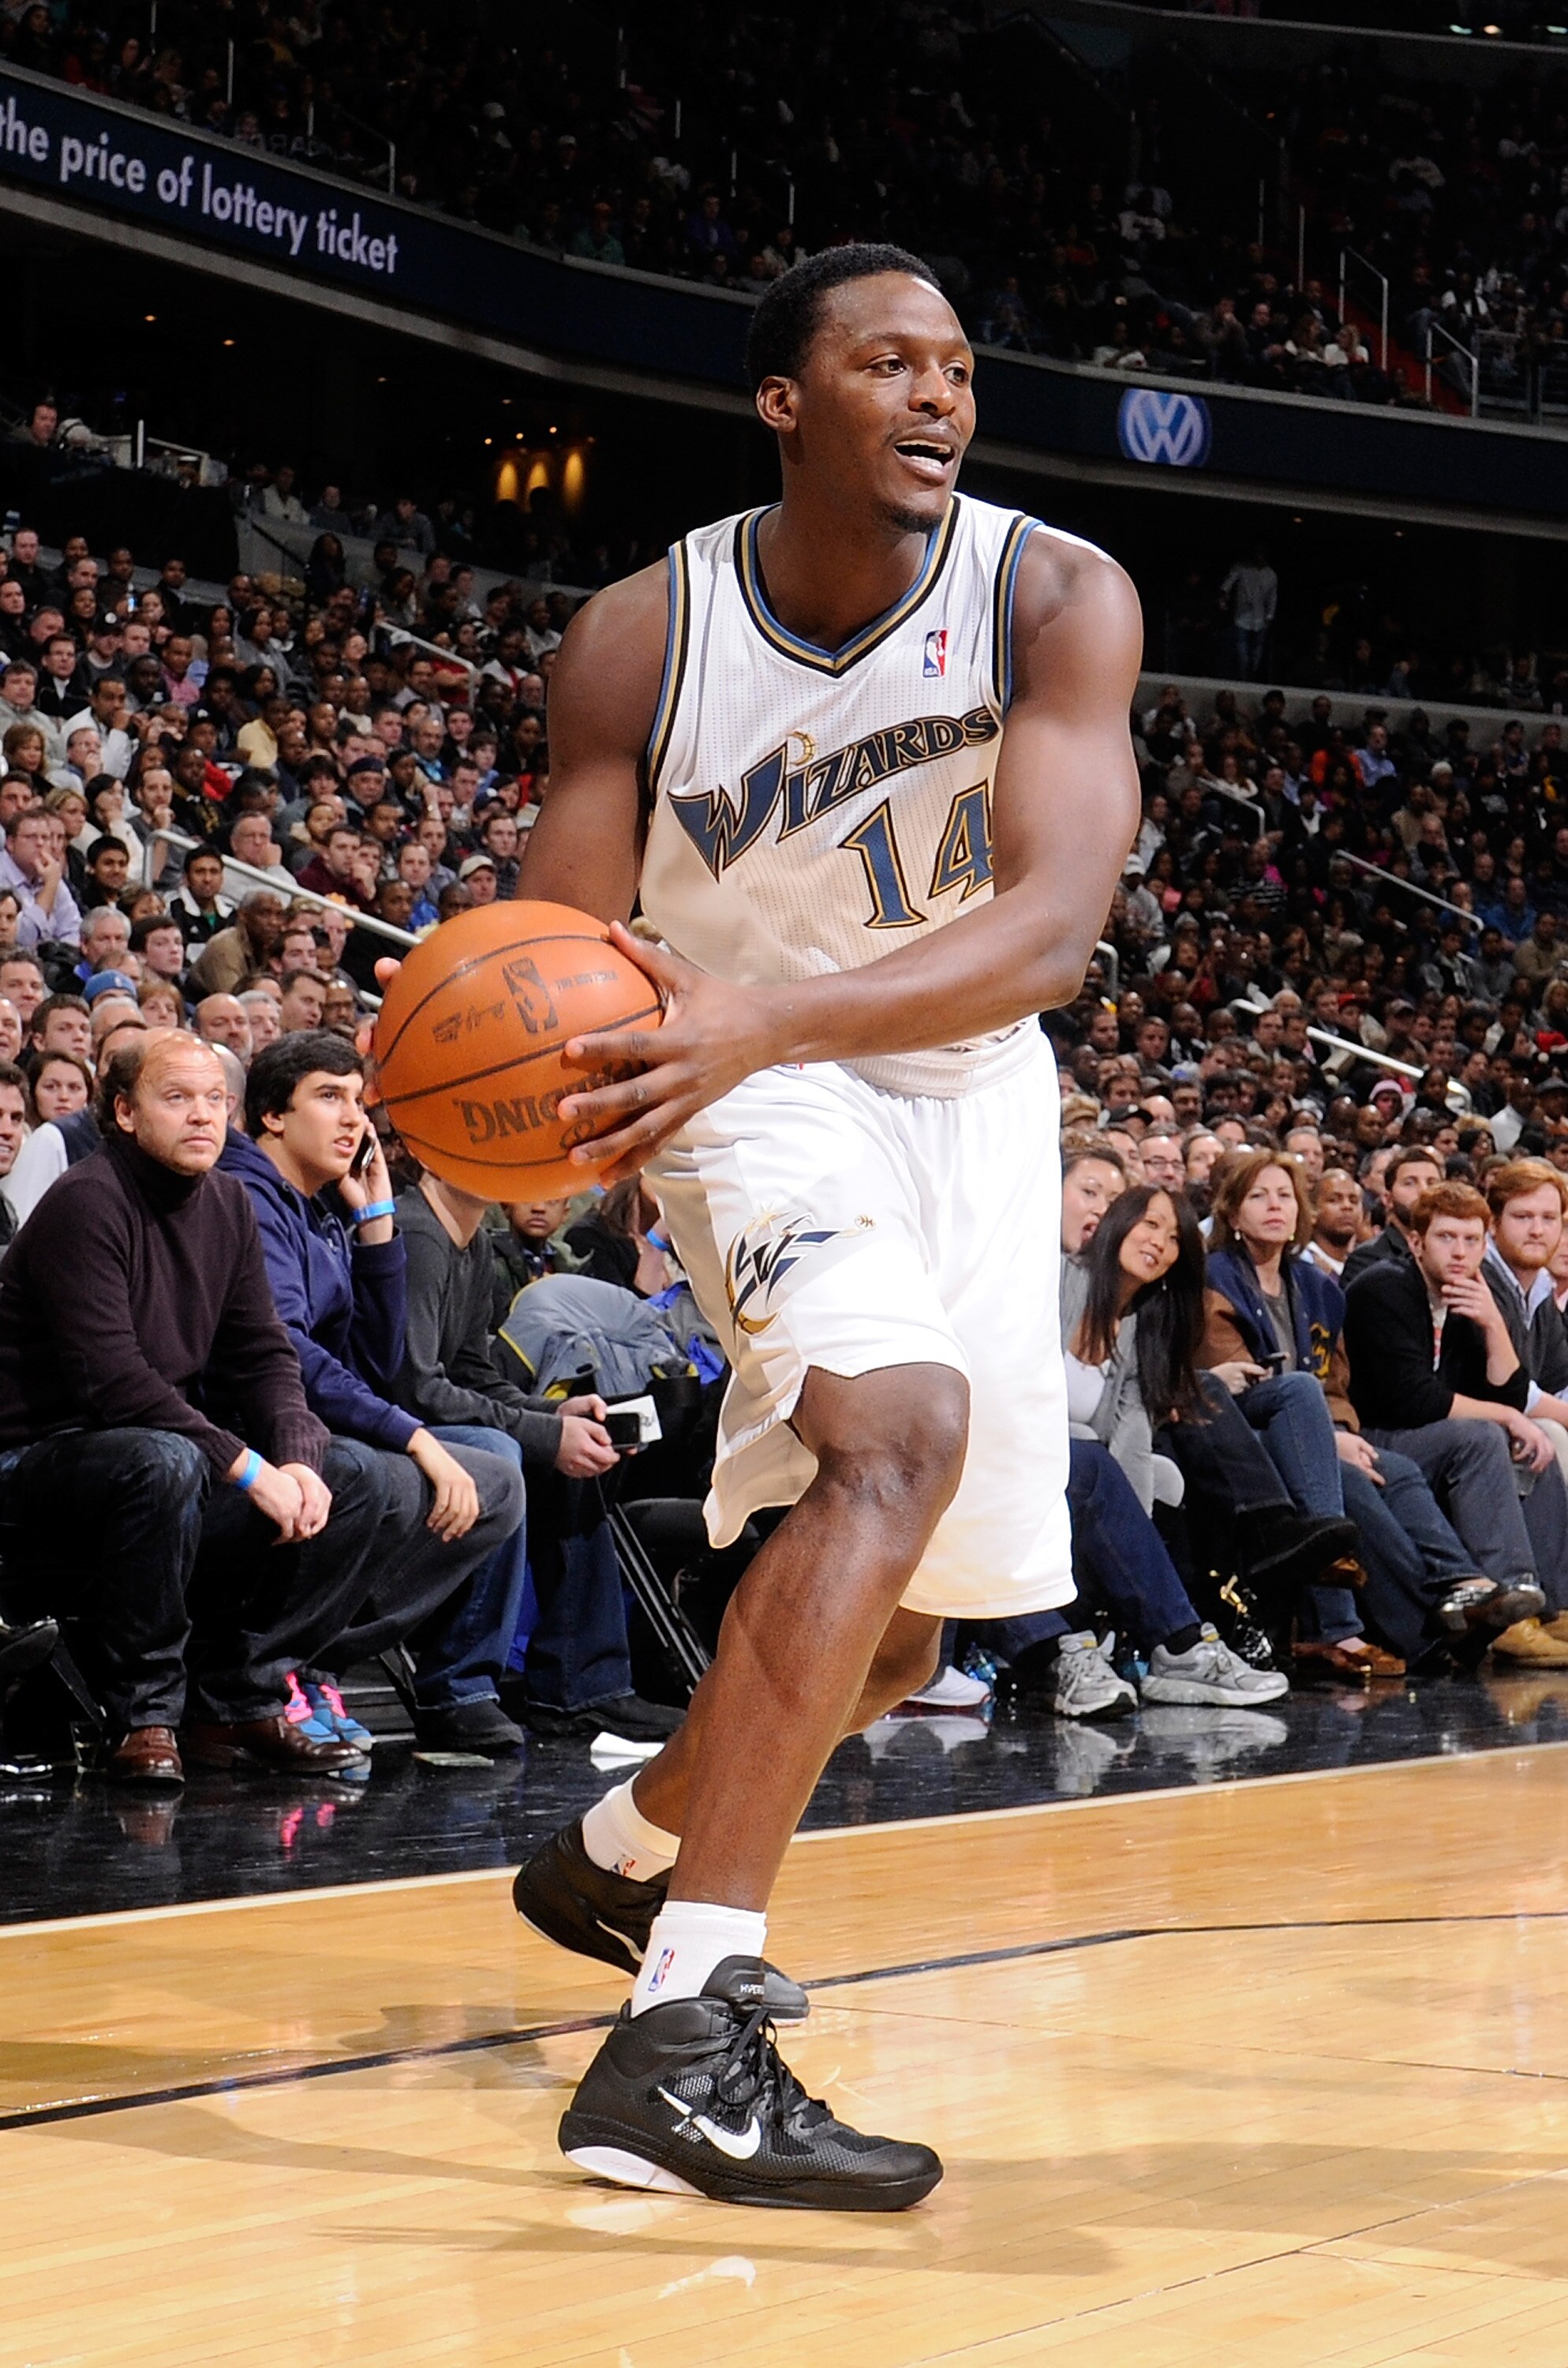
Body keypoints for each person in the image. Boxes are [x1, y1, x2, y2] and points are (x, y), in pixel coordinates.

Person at [507, 244, 1142, 2209]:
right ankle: (685, 2038)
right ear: (785, 397)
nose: (940, 395)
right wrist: (550, 1109)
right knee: (895, 1439)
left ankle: (614, 1856)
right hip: (734, 1077)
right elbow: (554, 961)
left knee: (902, 1623)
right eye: (888, 362)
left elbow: (1048, 931)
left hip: (960, 1087)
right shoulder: (640, 633)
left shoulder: (1052, 595)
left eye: (957, 365)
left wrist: (770, 1006)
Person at [0, 1035, 391, 1782]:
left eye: (215, 1100)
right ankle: (144, 1719)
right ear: (124, 1111)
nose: (202, 1116)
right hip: (37, 1459)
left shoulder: (226, 1205)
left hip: (149, 1457)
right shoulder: (86, 1201)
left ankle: (237, 1701)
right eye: (176, 1099)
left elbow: (265, 1357)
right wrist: (248, 1469)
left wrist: (298, 1464)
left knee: (355, 1475)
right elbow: (112, 1383)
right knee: (164, 1457)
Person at [219, 1032, 528, 1750]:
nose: (354, 1119)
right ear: (272, 1114)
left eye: (358, 1101)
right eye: (329, 1097)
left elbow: (370, 1364)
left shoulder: (320, 1206)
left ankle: (321, 1659)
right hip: (245, 1428)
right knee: (377, 1474)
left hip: (313, 1422)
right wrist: (416, 1438)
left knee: (497, 1478)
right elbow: (286, 1356)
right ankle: (257, 1673)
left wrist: (377, 1222)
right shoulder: (248, 1199)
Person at [1204, 1152, 1532, 1673]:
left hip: (1325, 1431)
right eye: (1258, 1196)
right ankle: (1423, 1630)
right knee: (1353, 1478)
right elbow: (1237, 1387)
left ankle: (1463, 1587)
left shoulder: (1311, 1285)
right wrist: (1326, 1436)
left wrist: (1338, 1429)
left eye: (1284, 1195)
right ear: (1231, 1212)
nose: (1274, 1206)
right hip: (1244, 1437)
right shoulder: (1213, 1281)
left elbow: (1335, 1383)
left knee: (1393, 1470)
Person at [395, 1164, 683, 1743]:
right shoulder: (419, 1234)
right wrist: (539, 1434)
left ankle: (583, 1689)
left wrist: (554, 1417)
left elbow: (474, 1372)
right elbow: (414, 1387)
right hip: (392, 1426)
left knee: (575, 1455)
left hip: (426, 1416)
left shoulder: (469, 1236)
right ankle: (460, 1687)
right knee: (501, 1451)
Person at [1345, 1182, 1568, 1665]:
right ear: (1417, 1242)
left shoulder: (1470, 1297)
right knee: (1487, 1433)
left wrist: (1492, 1324)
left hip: (1430, 1438)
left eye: (1471, 1240)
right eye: (1447, 1238)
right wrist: (1509, 1416)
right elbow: (1413, 1400)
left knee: (1534, 1443)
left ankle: (1549, 1604)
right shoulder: (1384, 1288)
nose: (1461, 1252)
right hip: (1378, 1439)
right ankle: (1511, 1605)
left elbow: (1507, 1390)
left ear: (1484, 1246)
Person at [1340, 1145, 1443, 1287]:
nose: (1423, 1191)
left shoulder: (1459, 1256)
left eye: (1432, 1183)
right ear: (1388, 1199)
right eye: (1410, 1183)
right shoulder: (1367, 1259)